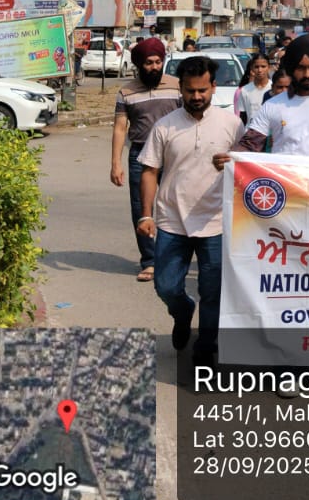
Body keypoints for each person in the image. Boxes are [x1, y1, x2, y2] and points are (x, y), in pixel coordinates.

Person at [138, 56, 245, 366]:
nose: (196, 97)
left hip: (217, 223)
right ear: (180, 91)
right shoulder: (165, 127)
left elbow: (250, 168)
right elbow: (149, 171)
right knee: (166, 286)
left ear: (213, 87)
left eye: (202, 90)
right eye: (189, 91)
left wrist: (235, 162)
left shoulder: (232, 125)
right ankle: (182, 312)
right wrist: (146, 215)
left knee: (213, 294)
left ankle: (205, 349)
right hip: (172, 221)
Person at [110, 37, 182, 281]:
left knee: (174, 206)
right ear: (139, 64)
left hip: (173, 154)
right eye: (149, 62)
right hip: (140, 154)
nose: (154, 66)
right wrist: (115, 164)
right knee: (142, 209)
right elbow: (120, 127)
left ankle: (173, 259)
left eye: (158, 61)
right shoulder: (126, 91)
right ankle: (150, 261)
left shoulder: (177, 86)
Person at [237, 33, 309, 156]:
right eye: (301, 68)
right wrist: (230, 158)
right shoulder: (272, 106)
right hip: (283, 175)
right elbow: (250, 145)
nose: (307, 74)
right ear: (292, 69)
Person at [235, 54, 272, 126]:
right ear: (252, 68)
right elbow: (243, 116)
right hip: (251, 132)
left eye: (263, 66)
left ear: (269, 68)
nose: (260, 70)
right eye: (256, 67)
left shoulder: (274, 88)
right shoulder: (244, 90)